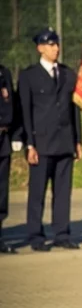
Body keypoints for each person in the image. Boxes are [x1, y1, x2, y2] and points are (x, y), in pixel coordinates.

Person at [18, 28, 82, 251]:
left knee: (63, 192)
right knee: (38, 193)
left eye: (57, 44)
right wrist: (29, 144)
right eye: (51, 45)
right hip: (42, 143)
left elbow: (74, 110)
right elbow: (26, 112)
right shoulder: (29, 76)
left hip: (64, 141)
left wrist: (77, 140)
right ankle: (35, 235)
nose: (56, 48)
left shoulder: (67, 74)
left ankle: (62, 234)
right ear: (40, 48)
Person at [0, 60, 23, 254]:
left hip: (3, 139)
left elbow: (13, 106)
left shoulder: (4, 72)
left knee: (1, 192)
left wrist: (16, 135)